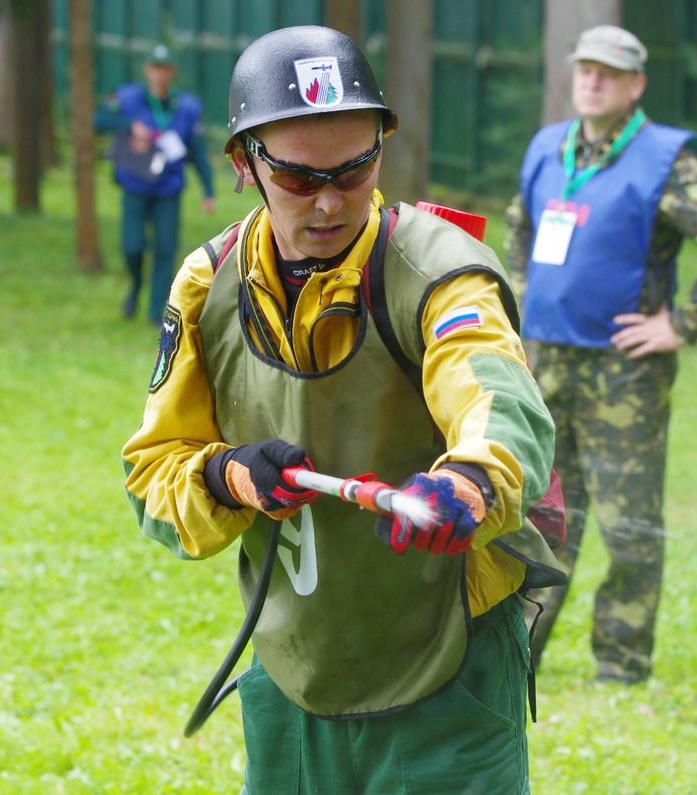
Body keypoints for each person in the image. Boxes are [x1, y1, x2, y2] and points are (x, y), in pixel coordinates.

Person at [121, 25, 564, 794]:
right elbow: (152, 479)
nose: (330, 202)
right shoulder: (207, 286)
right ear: (243, 165)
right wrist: (227, 477)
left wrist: (468, 483)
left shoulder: (441, 271)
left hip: (451, 676)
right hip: (294, 677)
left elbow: (496, 396)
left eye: (356, 170)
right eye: (297, 178)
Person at [505, 24, 697, 685]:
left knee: (629, 522)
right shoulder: (547, 149)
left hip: (623, 374)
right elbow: (519, 231)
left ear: (636, 85)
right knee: (544, 515)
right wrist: (517, 312)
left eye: (609, 72)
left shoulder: (666, 160)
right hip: (543, 363)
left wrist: (682, 324)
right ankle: (520, 648)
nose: (593, 80)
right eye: (585, 68)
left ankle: (622, 660)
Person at [95, 43, 216, 324]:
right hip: (135, 184)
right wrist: (129, 125)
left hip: (168, 189)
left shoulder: (187, 107)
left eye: (165, 68)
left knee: (165, 248)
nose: (160, 74)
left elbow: (197, 151)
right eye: (155, 68)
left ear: (172, 71)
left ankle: (154, 313)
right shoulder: (129, 98)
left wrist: (208, 191)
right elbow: (99, 119)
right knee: (133, 245)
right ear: (147, 69)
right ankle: (136, 285)